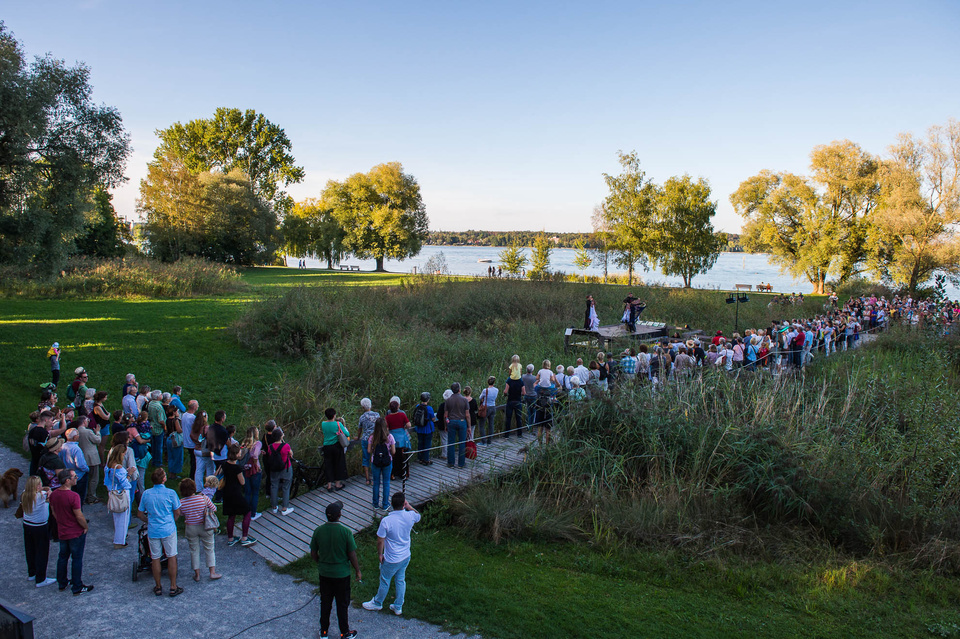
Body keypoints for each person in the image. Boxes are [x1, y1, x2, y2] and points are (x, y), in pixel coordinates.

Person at [363, 492, 421, 616]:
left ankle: (377, 603)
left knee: (385, 580)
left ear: (391, 504)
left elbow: (380, 540)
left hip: (391, 558)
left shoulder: (386, 521)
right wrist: (409, 506)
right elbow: (418, 515)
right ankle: (398, 606)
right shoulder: (410, 516)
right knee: (400, 580)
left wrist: (380, 554)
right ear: (404, 503)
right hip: (405, 555)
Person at [310, 500, 360, 639]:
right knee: (342, 604)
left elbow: (313, 553)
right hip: (342, 575)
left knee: (325, 603)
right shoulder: (346, 532)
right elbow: (352, 554)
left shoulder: (318, 531)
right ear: (340, 515)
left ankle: (324, 632)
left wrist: (321, 562)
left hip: (325, 573)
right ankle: (345, 632)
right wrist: (357, 570)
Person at [137, 467, 183, 597]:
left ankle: (158, 586)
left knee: (155, 557)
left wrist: (148, 521)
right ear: (164, 479)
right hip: (168, 528)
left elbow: (140, 514)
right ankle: (173, 586)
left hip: (153, 529)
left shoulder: (146, 494)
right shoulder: (171, 493)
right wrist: (173, 520)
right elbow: (177, 512)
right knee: (171, 556)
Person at [50, 469, 92, 594]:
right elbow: (79, 515)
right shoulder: (74, 496)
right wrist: (85, 526)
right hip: (75, 532)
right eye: (74, 477)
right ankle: (77, 586)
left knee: (63, 557)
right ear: (67, 480)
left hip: (62, 531)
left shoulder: (54, 494)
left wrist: (62, 522)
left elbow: (54, 512)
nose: (76, 478)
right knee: (76, 558)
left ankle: (62, 582)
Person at [178, 477, 221, 581]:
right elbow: (214, 509)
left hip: (191, 527)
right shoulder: (203, 498)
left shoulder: (181, 502)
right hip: (205, 526)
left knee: (194, 550)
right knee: (209, 548)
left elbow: (181, 514)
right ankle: (212, 572)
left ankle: (197, 574)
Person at [19, 475, 57, 587]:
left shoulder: (24, 494)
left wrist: (45, 489)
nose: (41, 485)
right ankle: (41, 579)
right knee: (42, 551)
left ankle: (32, 573)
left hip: (27, 524)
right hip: (40, 527)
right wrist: (48, 490)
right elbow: (50, 493)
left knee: (30, 549)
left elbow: (45, 489)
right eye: (39, 484)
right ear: (36, 486)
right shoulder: (41, 496)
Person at [222, 443, 256, 547]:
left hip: (226, 492)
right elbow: (242, 482)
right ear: (236, 455)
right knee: (247, 511)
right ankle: (245, 537)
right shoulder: (237, 468)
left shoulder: (224, 464)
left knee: (231, 515)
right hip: (236, 493)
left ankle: (230, 538)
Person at [104, 443, 132, 548]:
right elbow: (126, 484)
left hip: (112, 492)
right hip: (121, 493)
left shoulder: (109, 465)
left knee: (116, 517)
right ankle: (119, 541)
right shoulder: (118, 467)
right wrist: (129, 474)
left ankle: (120, 538)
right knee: (123, 518)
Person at [367, 416, 396, 511]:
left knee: (376, 483)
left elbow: (368, 450)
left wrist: (374, 451)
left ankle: (375, 503)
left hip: (375, 461)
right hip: (387, 462)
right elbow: (393, 451)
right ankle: (385, 504)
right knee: (386, 483)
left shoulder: (372, 437)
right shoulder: (389, 437)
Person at [265, 428, 294, 515]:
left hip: (274, 469)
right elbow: (291, 454)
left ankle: (274, 507)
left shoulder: (270, 447)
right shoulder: (286, 446)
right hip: (285, 468)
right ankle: (285, 508)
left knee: (274, 486)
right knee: (286, 487)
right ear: (281, 436)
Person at [321, 408, 349, 492]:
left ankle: (329, 486)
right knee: (338, 464)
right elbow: (347, 434)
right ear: (334, 415)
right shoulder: (338, 424)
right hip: (336, 446)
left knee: (328, 465)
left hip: (326, 446)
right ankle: (337, 484)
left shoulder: (323, 424)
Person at [384, 397, 411, 482]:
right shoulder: (402, 415)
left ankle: (393, 474)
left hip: (393, 437)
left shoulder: (387, 417)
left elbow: (386, 429)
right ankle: (404, 474)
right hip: (402, 437)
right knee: (403, 456)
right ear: (398, 407)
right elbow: (409, 425)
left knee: (393, 456)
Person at [61, 427, 91, 502]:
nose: (78, 436)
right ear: (75, 437)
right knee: (79, 497)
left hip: (66, 474)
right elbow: (80, 465)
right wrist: (87, 469)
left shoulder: (62, 446)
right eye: (77, 434)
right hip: (79, 476)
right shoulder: (76, 449)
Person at [445, 382, 470, 469]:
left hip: (451, 421)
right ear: (459, 390)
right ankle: (461, 463)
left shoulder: (448, 400)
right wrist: (469, 426)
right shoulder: (464, 400)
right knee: (462, 442)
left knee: (451, 442)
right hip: (462, 421)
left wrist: (446, 425)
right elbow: (467, 415)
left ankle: (451, 463)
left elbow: (446, 415)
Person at [355, 398, 380, 485]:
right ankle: (375, 478)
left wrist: (358, 437)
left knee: (366, 458)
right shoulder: (377, 415)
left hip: (365, 439)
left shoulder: (362, 417)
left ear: (363, 407)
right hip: (375, 439)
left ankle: (367, 479)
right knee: (375, 457)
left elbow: (360, 429)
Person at [240, 426, 263, 521]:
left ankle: (246, 512)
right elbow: (255, 455)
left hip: (245, 469)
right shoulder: (257, 443)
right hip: (254, 470)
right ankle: (253, 513)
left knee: (247, 492)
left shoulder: (244, 443)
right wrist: (256, 465)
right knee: (255, 492)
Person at [411, 392, 435, 465]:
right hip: (427, 429)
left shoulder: (417, 406)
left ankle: (420, 458)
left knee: (420, 444)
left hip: (419, 428)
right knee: (427, 444)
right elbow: (433, 418)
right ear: (428, 399)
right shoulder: (429, 408)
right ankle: (426, 459)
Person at [502, 372, 525, 438]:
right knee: (518, 418)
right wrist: (519, 394)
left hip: (510, 401)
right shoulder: (520, 381)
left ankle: (507, 435)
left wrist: (505, 394)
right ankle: (519, 434)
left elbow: (505, 391)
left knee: (508, 418)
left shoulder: (509, 380)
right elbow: (524, 392)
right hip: (518, 401)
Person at [147, 390, 166, 467]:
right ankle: (158, 462)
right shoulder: (159, 407)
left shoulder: (150, 403)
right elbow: (161, 420)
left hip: (152, 426)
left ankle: (153, 461)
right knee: (158, 446)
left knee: (154, 446)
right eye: (161, 394)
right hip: (158, 428)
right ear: (158, 397)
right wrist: (165, 427)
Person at [182, 400, 199, 483]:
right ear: (194, 407)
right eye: (197, 405)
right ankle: (192, 477)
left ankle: (192, 476)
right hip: (192, 442)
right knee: (194, 462)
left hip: (186, 441)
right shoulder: (193, 418)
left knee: (192, 460)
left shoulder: (184, 415)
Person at [478, 376, 499, 445]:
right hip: (493, 407)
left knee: (481, 425)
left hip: (486, 408)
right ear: (494, 382)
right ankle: (489, 440)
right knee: (491, 424)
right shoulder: (496, 390)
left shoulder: (485, 390)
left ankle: (483, 441)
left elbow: (480, 398)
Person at [165, 404, 184, 476]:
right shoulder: (175, 420)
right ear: (174, 412)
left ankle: (170, 471)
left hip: (169, 439)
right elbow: (179, 430)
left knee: (171, 456)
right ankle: (174, 473)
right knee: (177, 457)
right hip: (175, 440)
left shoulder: (167, 419)